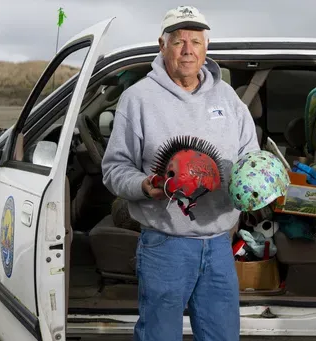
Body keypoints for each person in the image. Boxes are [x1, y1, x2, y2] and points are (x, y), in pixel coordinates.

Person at [101, 5, 260, 341]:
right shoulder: (138, 99)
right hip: (165, 245)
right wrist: (144, 186)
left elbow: (250, 155)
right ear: (162, 45)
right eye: (178, 42)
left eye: (196, 41)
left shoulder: (228, 98)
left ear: (206, 48)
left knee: (223, 336)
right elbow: (114, 169)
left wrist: (258, 178)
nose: (188, 50)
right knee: (159, 336)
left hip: (219, 243)